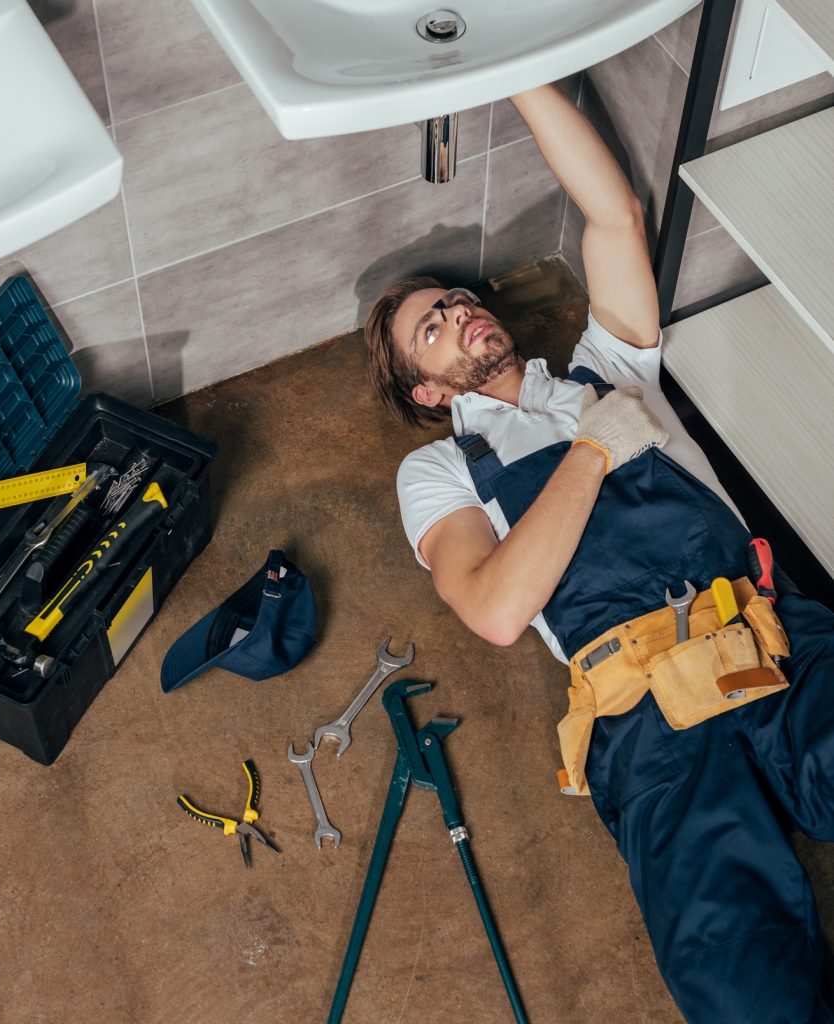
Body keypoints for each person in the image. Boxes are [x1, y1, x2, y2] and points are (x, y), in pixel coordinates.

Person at [364, 83, 834, 1023]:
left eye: (457, 301)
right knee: (741, 987)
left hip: (768, 633)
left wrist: (517, 65)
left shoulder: (607, 367)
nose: (460, 316)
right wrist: (592, 451)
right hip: (646, 716)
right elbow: (498, 608)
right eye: (433, 328)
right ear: (424, 390)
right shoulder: (440, 473)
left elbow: (615, 216)